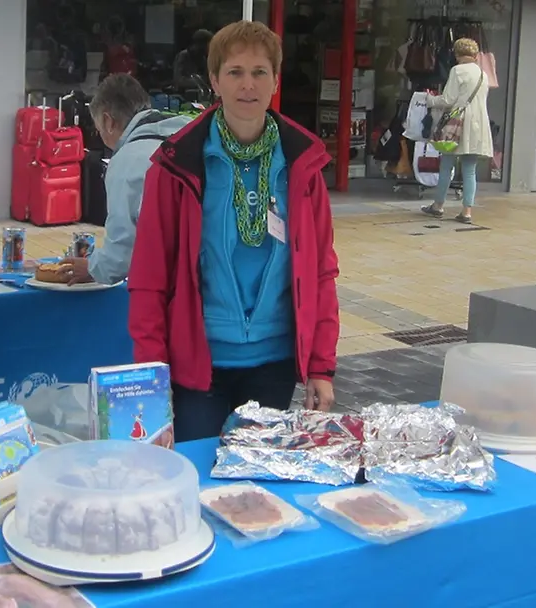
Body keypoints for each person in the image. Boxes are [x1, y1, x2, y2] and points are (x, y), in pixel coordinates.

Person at [127, 21, 340, 442]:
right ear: (214, 81)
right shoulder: (177, 166)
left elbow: (321, 272)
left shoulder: (302, 165)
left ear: (276, 80)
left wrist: (321, 367)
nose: (248, 85)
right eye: (235, 72)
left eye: (260, 72)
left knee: (254, 493)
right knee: (198, 484)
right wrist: (151, 381)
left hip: (273, 364)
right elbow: (149, 280)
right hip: (198, 367)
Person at [59, 74, 190, 285]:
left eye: (99, 129)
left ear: (109, 122)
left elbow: (120, 256)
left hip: (178, 287)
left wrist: (93, 267)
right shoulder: (193, 133)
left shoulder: (128, 161)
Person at [421, 37, 493, 224]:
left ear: (457, 54)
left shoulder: (457, 71)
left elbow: (448, 99)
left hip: (457, 124)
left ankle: (438, 206)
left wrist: (430, 100)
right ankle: (466, 211)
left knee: (446, 166)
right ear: (475, 55)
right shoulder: (483, 74)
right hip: (478, 125)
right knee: (469, 170)